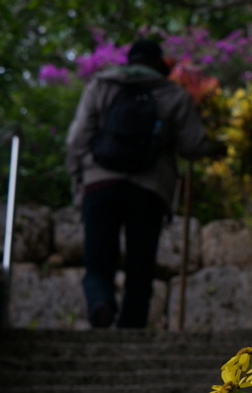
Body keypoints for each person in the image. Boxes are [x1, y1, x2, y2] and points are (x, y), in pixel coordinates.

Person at [65, 39, 218, 328]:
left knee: (98, 257)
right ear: (159, 65)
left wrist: (79, 180)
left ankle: (101, 301)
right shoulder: (174, 95)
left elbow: (77, 140)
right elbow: (194, 146)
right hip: (150, 189)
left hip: (100, 183)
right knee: (141, 263)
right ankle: (132, 327)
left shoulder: (101, 85)